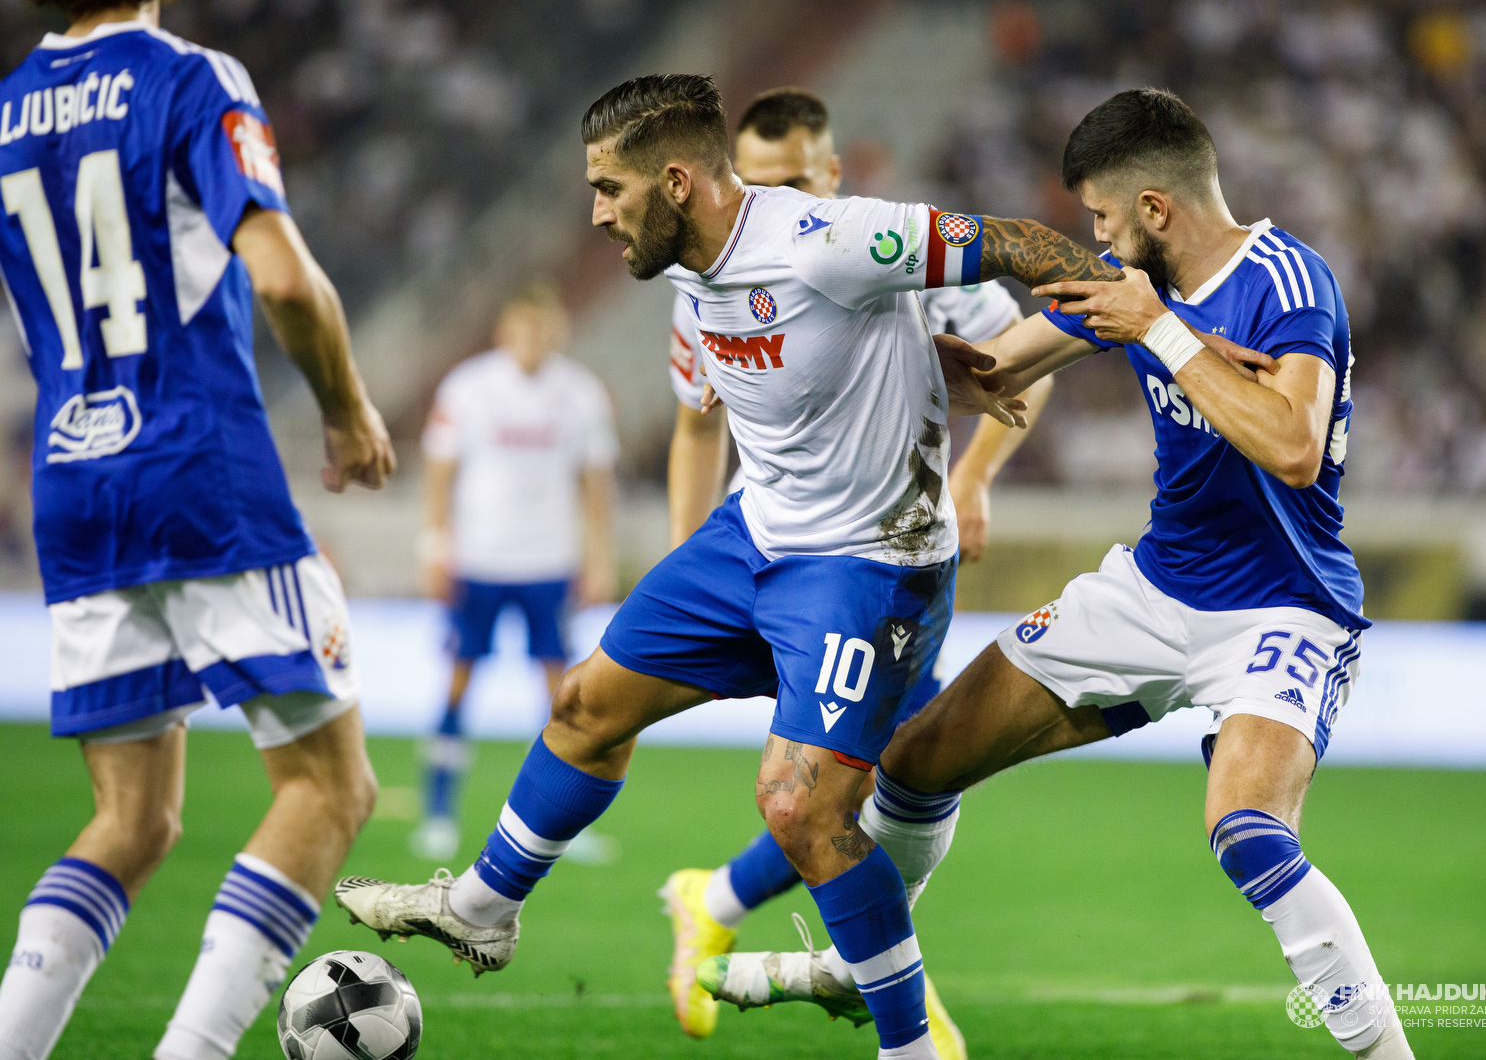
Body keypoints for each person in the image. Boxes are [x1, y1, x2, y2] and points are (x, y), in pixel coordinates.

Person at [335, 72, 1117, 1060]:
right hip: (747, 539)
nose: (594, 214)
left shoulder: (827, 243)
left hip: (865, 564)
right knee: (585, 703)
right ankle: (482, 908)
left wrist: (1108, 306)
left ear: (671, 183)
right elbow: (719, 413)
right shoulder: (679, 270)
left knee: (805, 804)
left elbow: (1006, 241)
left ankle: (911, 1045)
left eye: (607, 190)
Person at [737, 88, 1413, 1059]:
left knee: (1248, 828)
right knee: (916, 761)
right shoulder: (1126, 286)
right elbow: (995, 364)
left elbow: (1294, 445)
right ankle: (863, 964)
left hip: (1284, 607)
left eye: (1099, 215)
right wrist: (838, 353)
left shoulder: (1285, 279)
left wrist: (1159, 329)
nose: (1089, 235)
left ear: (1153, 209)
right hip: (1151, 592)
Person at [0, 0, 396, 1059]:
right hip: (197, 467)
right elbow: (281, 276)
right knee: (327, 782)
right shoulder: (192, 79)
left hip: (75, 477)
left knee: (130, 822)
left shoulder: (9, 108)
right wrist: (348, 404)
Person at [658, 86, 1050, 1051]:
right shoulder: (709, 269)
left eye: (792, 179)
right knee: (877, 774)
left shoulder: (890, 249)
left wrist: (973, 478)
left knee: (884, 770)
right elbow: (693, 424)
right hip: (805, 565)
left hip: (898, 549)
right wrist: (692, 560)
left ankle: (720, 898)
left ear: (831, 175)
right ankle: (900, 1009)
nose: (770, 200)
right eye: (754, 181)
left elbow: (1015, 375)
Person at [411, 284, 619, 862]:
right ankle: (437, 814)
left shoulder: (581, 395)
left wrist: (598, 557)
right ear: (505, 331)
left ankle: (560, 824)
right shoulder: (468, 388)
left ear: (558, 331)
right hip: (477, 560)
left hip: (549, 562)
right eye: (523, 328)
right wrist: (434, 546)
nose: (533, 340)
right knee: (458, 680)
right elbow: (439, 472)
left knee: (561, 697)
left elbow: (596, 484)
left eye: (543, 328)